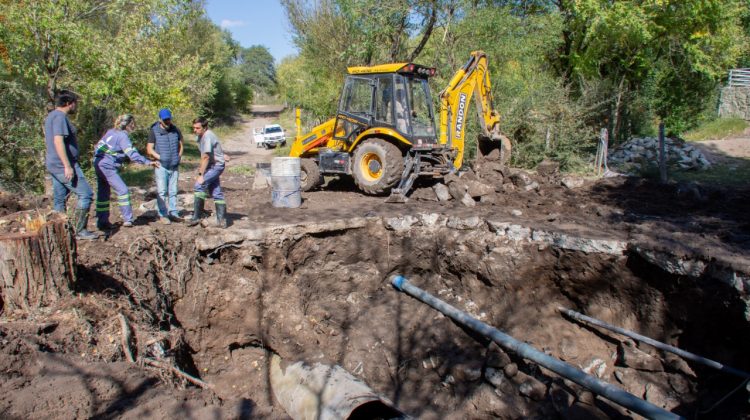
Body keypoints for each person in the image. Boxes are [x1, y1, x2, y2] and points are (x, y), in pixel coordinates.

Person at [44, 90, 99, 240]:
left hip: (54, 164)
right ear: (69, 103)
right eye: (75, 103)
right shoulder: (60, 118)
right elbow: (58, 141)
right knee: (86, 194)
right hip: (63, 166)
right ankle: (80, 230)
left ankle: (59, 232)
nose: (76, 106)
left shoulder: (51, 116)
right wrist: (67, 165)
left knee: (60, 198)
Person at [94, 115, 159, 229]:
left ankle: (102, 221)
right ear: (128, 125)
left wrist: (111, 156)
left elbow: (98, 147)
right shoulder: (123, 136)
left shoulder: (110, 132)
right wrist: (148, 162)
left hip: (98, 163)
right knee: (122, 190)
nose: (134, 126)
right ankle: (128, 219)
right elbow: (132, 154)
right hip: (108, 166)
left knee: (103, 193)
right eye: (133, 124)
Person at [187, 117, 229, 228]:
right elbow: (213, 149)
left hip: (215, 166)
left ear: (205, 127)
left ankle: (197, 217)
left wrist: (201, 175)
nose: (195, 130)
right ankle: (222, 221)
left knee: (199, 186)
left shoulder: (207, 136)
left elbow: (205, 157)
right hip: (213, 164)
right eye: (194, 128)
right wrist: (221, 154)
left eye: (198, 128)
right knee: (216, 191)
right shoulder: (201, 136)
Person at [147, 108, 183, 224]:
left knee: (173, 191)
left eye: (169, 119)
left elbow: (181, 144)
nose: (168, 121)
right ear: (160, 119)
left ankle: (173, 212)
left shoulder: (175, 130)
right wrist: (159, 157)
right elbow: (149, 149)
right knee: (162, 191)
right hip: (161, 166)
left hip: (174, 165)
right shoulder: (154, 131)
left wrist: (179, 156)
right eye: (165, 120)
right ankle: (162, 214)